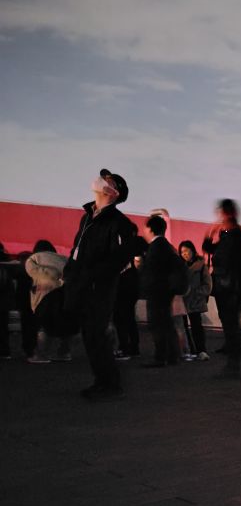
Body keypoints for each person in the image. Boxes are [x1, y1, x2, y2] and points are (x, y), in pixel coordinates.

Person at [63, 169, 134, 398]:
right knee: (88, 335)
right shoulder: (87, 216)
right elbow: (77, 248)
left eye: (108, 180)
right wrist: (70, 272)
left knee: (98, 335)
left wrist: (95, 275)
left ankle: (111, 384)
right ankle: (100, 381)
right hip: (80, 284)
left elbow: (121, 257)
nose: (101, 180)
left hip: (99, 288)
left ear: (113, 193)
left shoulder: (118, 222)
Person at [202, 199, 241, 375]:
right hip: (225, 287)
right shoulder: (227, 236)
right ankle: (232, 359)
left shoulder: (237, 237)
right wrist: (212, 231)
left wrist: (239, 290)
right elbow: (208, 248)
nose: (219, 217)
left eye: (221, 213)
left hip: (232, 288)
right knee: (229, 322)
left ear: (228, 213)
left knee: (232, 324)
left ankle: (233, 364)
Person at [140, 215, 182, 367]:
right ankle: (172, 355)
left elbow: (152, 272)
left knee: (158, 324)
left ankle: (161, 357)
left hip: (157, 292)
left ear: (150, 229)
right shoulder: (167, 246)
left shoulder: (156, 247)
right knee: (166, 322)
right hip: (165, 291)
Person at [25, 239, 71, 363]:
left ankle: (40, 355)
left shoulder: (33, 258)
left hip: (45, 295)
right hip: (65, 293)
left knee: (43, 325)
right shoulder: (63, 258)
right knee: (65, 323)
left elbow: (31, 272)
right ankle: (64, 352)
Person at [113, 229, 145, 360]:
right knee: (129, 317)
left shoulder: (128, 247)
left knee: (120, 318)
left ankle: (124, 348)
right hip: (133, 287)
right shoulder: (139, 244)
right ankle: (133, 347)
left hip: (124, 287)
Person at [179, 240, 212, 360]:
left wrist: (196, 292)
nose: (185, 254)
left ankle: (201, 350)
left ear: (192, 250)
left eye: (187, 251)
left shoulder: (201, 265)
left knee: (196, 326)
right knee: (183, 327)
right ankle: (188, 350)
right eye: (182, 252)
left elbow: (207, 285)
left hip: (195, 300)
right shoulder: (180, 266)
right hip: (182, 300)